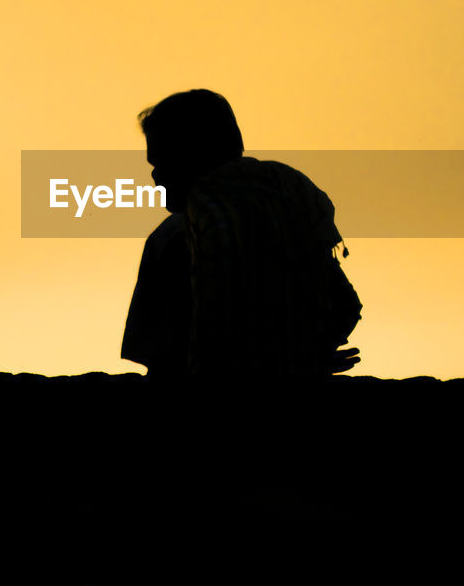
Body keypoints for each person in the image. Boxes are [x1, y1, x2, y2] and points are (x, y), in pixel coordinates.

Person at [122, 89, 362, 378]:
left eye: (161, 163)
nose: (156, 176)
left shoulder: (178, 233)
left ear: (192, 154)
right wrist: (305, 357)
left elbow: (165, 355)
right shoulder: (287, 194)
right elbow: (345, 304)